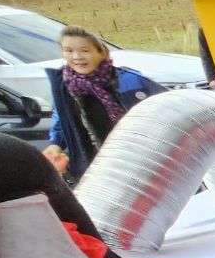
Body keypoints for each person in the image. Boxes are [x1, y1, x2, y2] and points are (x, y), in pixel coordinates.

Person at [43, 26, 165, 179]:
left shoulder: (129, 80)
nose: (77, 56)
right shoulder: (63, 86)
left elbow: (163, 111)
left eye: (85, 50)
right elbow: (62, 122)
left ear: (102, 52)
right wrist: (55, 145)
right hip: (97, 167)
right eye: (68, 50)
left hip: (140, 159)